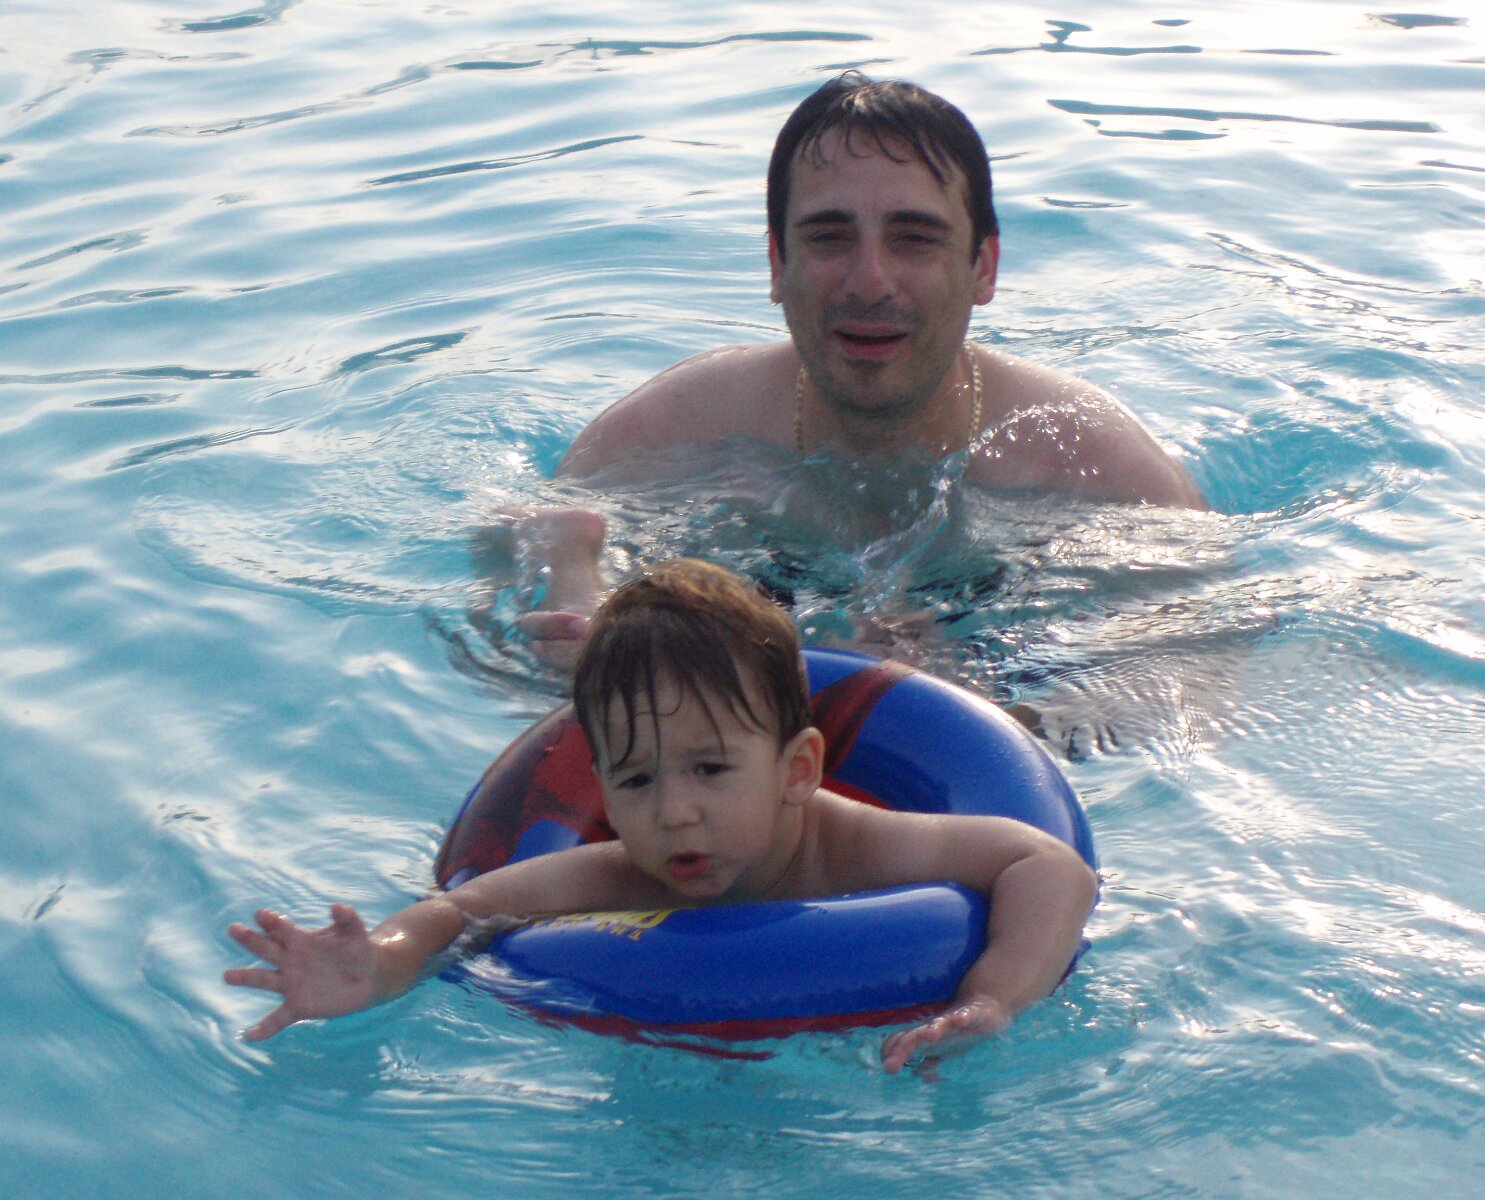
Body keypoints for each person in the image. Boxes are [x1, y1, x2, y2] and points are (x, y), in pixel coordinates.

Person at [225, 560, 1099, 1073]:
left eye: (711, 770)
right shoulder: (617, 873)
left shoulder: (858, 847)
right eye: (637, 781)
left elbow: (1048, 867)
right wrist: (380, 963)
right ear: (602, 792)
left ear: (798, 770)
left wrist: (994, 999)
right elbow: (463, 909)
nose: (675, 813)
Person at [509, 72, 1205, 665]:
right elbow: (512, 569)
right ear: (778, 263)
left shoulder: (1099, 468)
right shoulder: (675, 430)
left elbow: (1193, 670)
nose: (870, 281)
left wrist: (997, 709)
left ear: (984, 267)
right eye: (830, 238)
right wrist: (579, 631)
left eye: (914, 240)